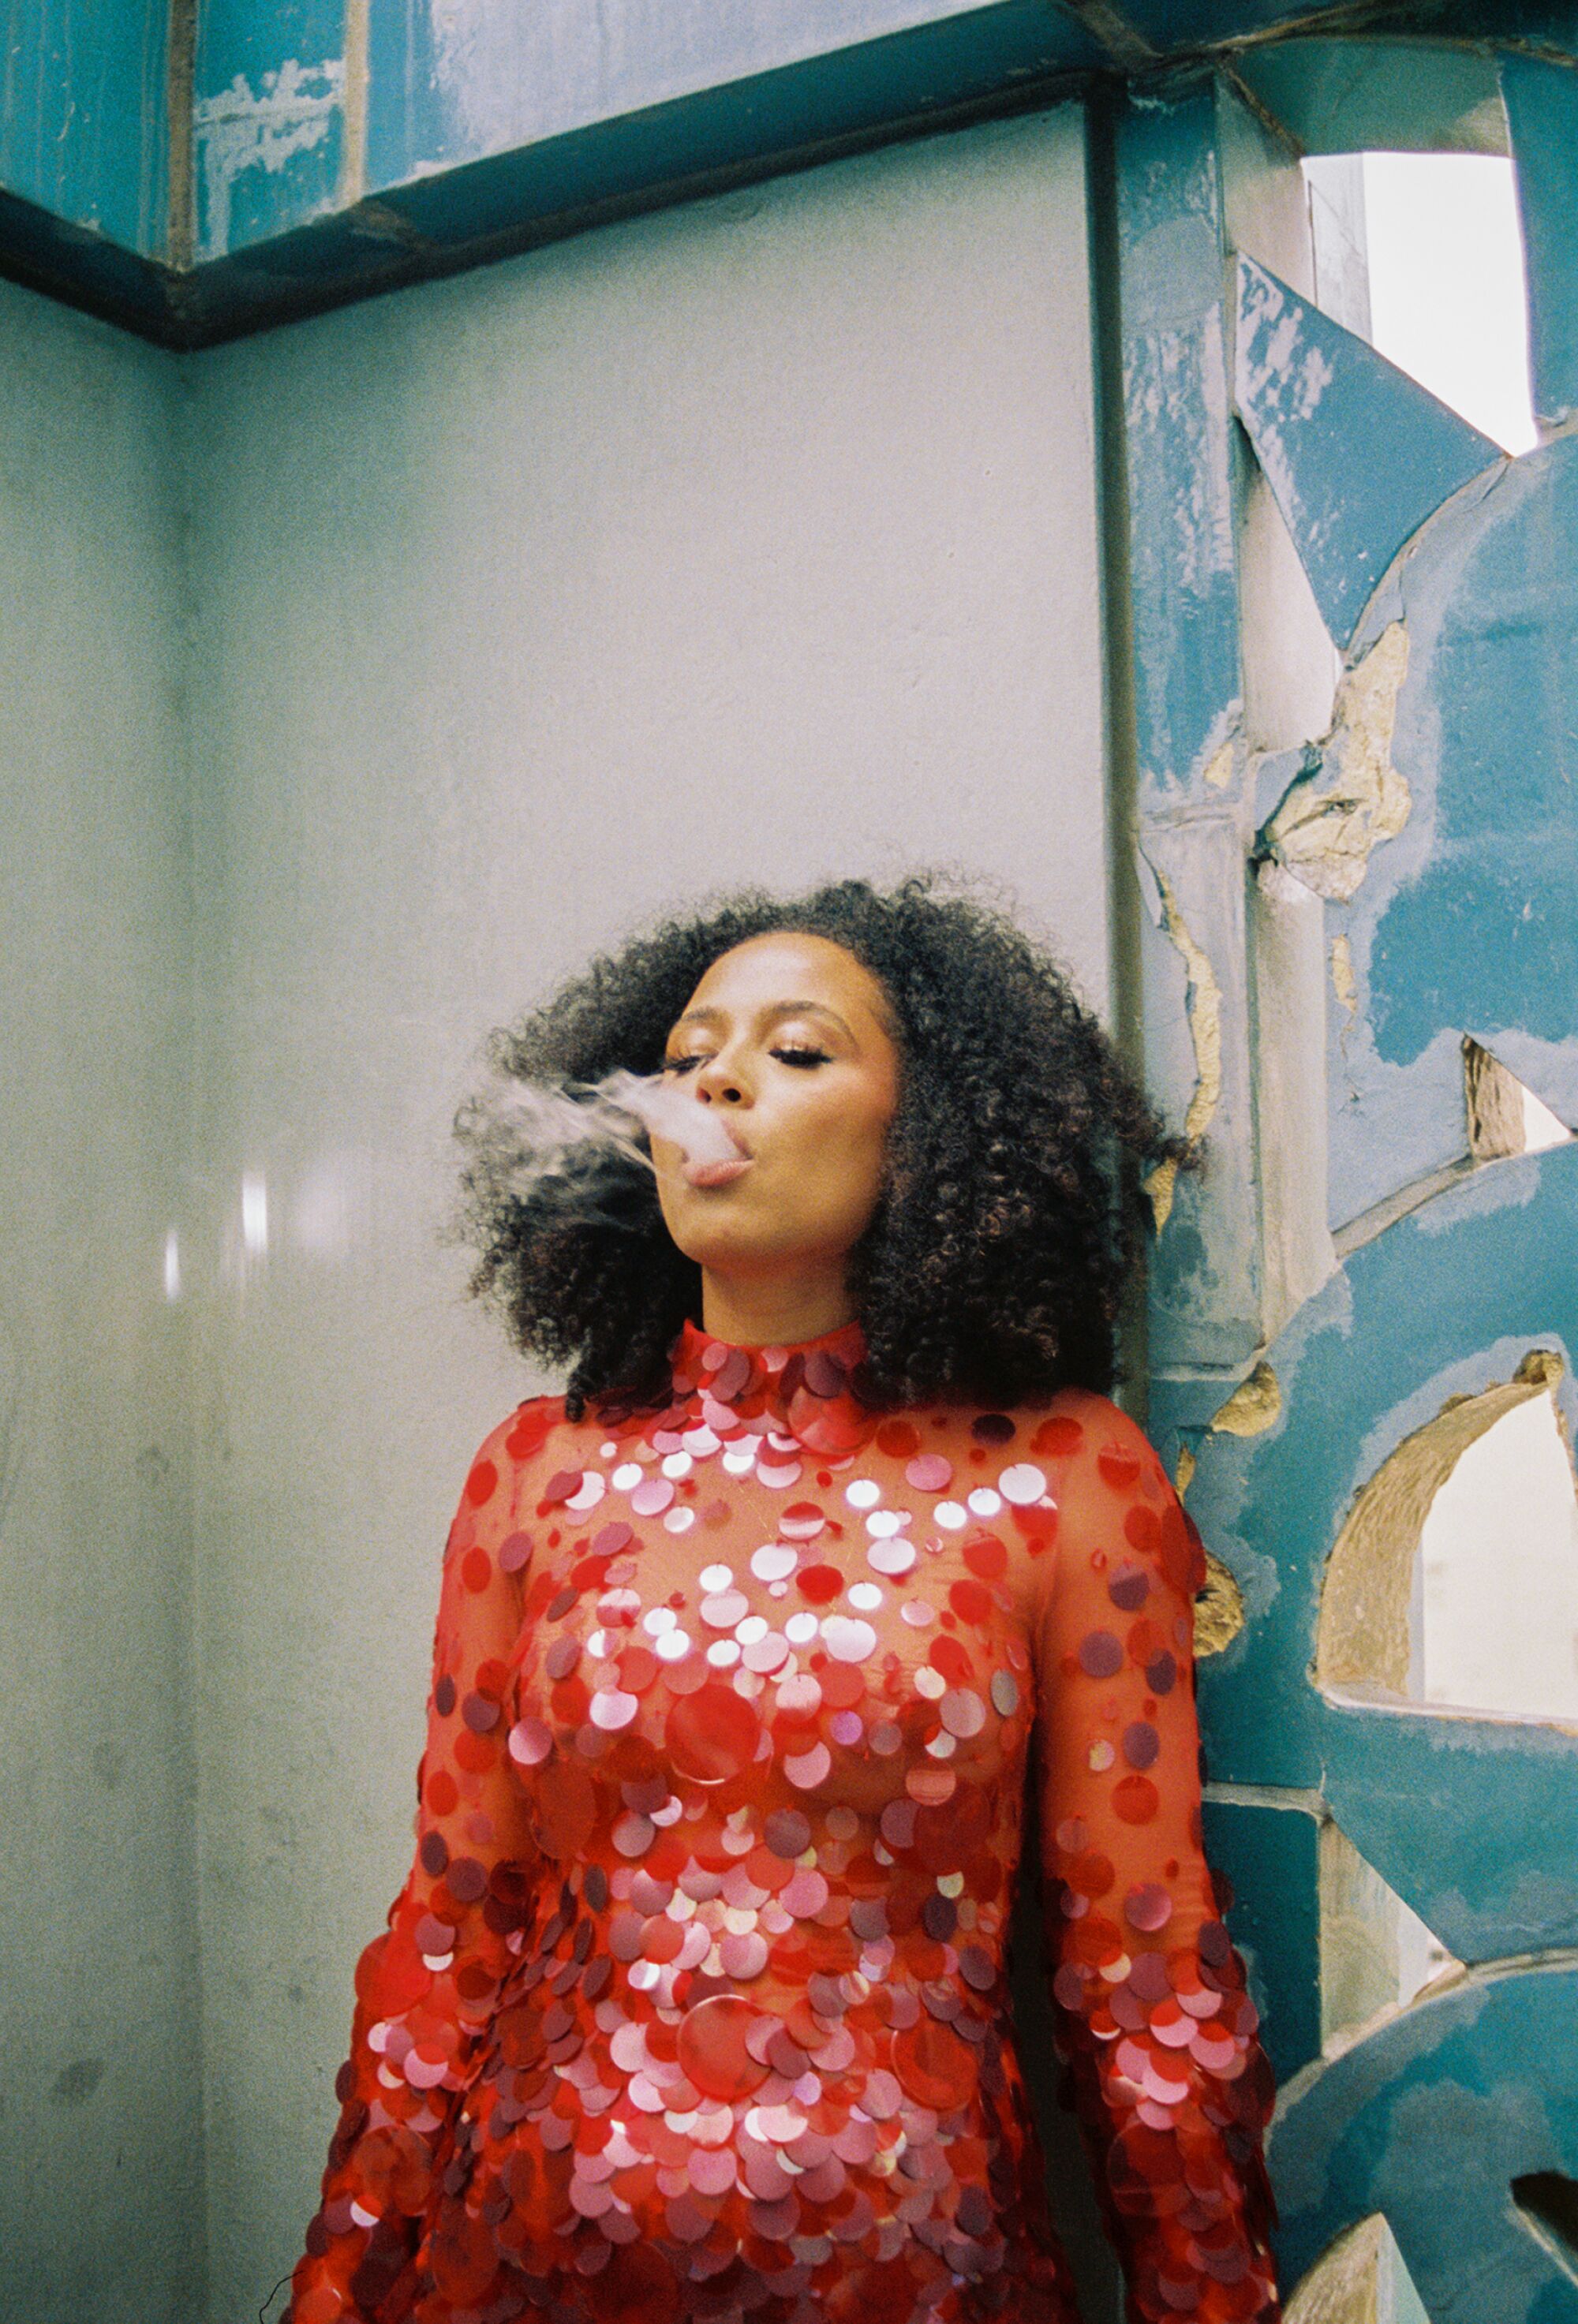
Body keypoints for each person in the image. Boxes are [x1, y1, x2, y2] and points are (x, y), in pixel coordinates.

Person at [286, 877, 1280, 2324]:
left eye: (798, 1051)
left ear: (928, 1129)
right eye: (689, 1059)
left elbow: (1141, 1977)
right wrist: (338, 2286)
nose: (718, 1084)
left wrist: (1218, 2298)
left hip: (921, 2278)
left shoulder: (1068, 1479)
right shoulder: (535, 1474)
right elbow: (453, 1933)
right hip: (523, 2265)